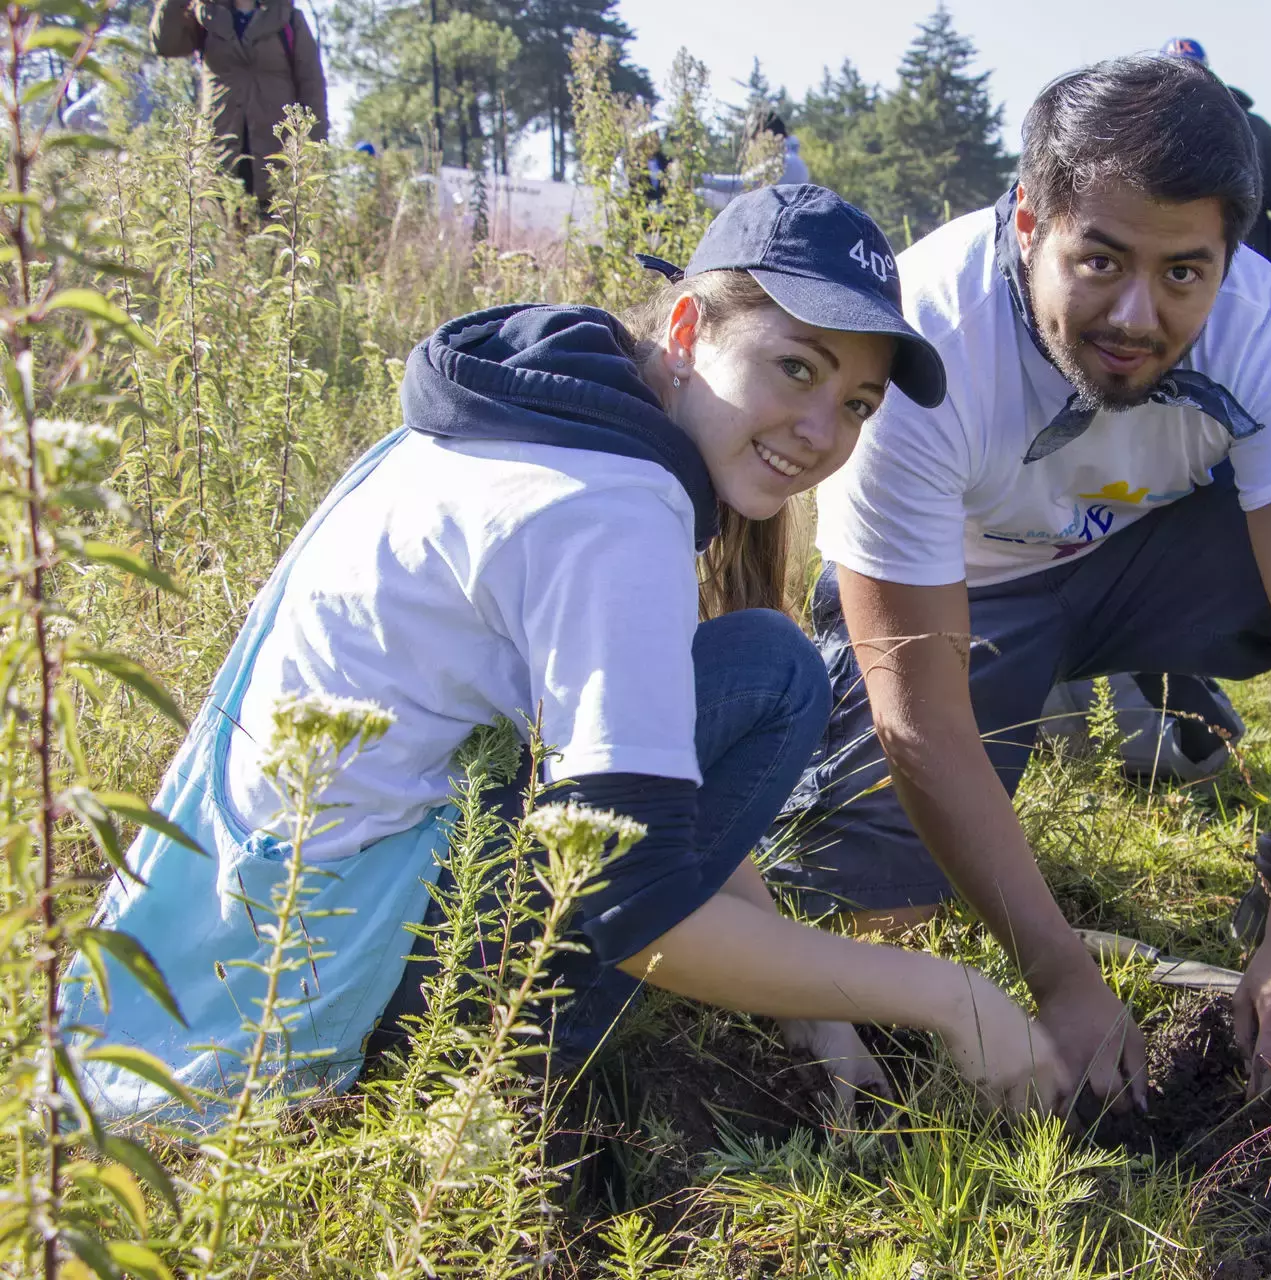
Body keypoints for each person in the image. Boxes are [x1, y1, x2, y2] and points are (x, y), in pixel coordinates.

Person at [68, 186, 1065, 1122]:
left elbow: (649, 780)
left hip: (235, 929)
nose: (821, 430)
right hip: (322, 973)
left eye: (857, 402)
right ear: (687, 331)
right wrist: (949, 993)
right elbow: (637, 913)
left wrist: (813, 996)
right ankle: (505, 1094)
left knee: (760, 665)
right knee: (776, 671)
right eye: (796, 367)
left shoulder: (547, 411)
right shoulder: (610, 513)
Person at [769, 56, 1271, 1108]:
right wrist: (1059, 972)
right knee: (871, 929)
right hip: (964, 599)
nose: (1137, 314)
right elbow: (923, 721)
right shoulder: (923, 342)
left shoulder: (1266, 329)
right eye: (1101, 259)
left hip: (1134, 563)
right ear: (1030, 220)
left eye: (1184, 271)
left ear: (1229, 257)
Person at [151, 0, 329, 213]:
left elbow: (312, 87)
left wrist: (314, 154)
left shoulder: (287, 18)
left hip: (276, 155)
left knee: (275, 237)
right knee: (221, 234)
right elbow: (165, 44)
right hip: (219, 149)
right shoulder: (206, 16)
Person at [1160, 37, 1271, 265]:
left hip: (1245, 274)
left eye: (1191, 73)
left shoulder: (1256, 131)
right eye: (1172, 73)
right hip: (1171, 272)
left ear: (1208, 76)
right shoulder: (1146, 134)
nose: (1182, 83)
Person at [701, 111, 810, 212]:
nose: (752, 144)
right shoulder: (794, 160)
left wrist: (700, 180)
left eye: (753, 138)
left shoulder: (781, 162)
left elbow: (742, 184)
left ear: (765, 135)